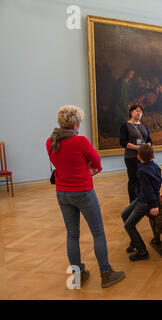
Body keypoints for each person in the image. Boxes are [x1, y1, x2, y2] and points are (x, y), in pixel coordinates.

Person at [46, 105, 125, 288]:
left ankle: (78, 275)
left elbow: (59, 163)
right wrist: (87, 171)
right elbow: (97, 163)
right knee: (97, 232)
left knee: (72, 235)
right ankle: (106, 273)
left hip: (62, 193)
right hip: (83, 192)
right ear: (75, 123)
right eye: (80, 120)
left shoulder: (50, 141)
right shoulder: (80, 141)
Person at [121, 144, 161, 261]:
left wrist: (154, 205)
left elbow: (150, 190)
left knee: (128, 225)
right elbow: (156, 187)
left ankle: (142, 251)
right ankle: (135, 241)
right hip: (142, 198)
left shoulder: (142, 171)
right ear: (153, 156)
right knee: (124, 214)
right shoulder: (156, 167)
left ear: (138, 157)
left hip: (146, 202)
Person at [119, 104, 152, 203]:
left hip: (144, 157)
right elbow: (123, 142)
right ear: (131, 112)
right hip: (131, 157)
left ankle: (142, 199)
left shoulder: (143, 125)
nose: (139, 113)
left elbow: (149, 139)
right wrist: (138, 148)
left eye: (141, 111)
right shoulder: (125, 126)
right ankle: (133, 202)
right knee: (134, 179)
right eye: (137, 111)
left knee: (143, 178)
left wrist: (147, 146)